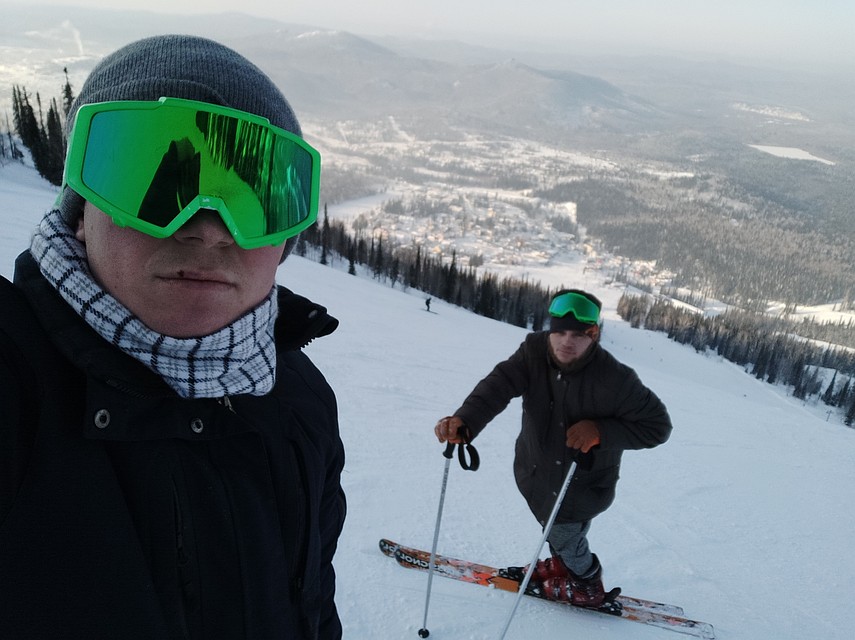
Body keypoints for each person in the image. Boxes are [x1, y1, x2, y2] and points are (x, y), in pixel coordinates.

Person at [0, 35, 346, 639]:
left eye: (256, 201)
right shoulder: (15, 377)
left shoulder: (299, 399)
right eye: (158, 186)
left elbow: (312, 607)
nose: (211, 231)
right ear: (82, 213)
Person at [434, 289, 671, 607]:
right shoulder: (534, 352)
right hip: (535, 471)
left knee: (565, 535)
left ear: (594, 334)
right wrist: (466, 419)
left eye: (577, 334)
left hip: (580, 485)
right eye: (558, 331)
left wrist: (600, 431)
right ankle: (562, 565)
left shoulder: (616, 380)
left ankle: (586, 584)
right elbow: (499, 384)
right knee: (553, 529)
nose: (565, 342)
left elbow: (657, 427)